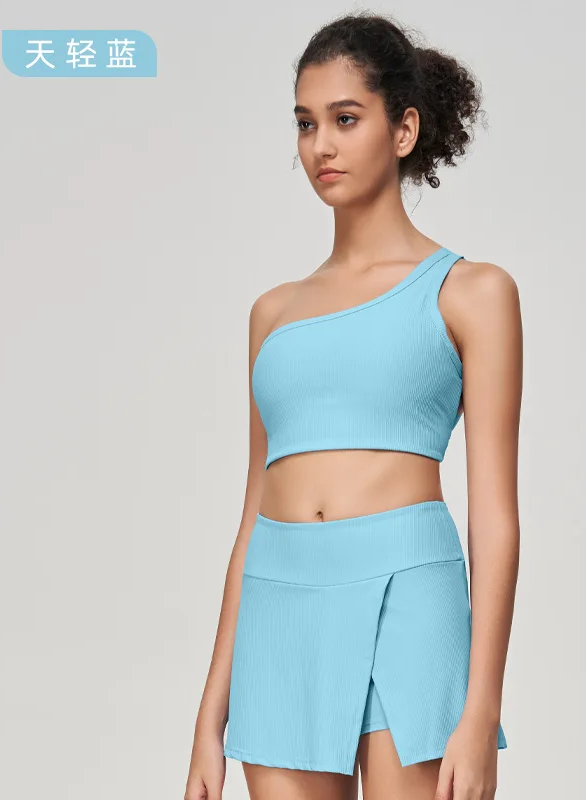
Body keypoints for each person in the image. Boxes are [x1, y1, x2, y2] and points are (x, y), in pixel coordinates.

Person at [185, 11, 522, 800]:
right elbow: (250, 516)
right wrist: (209, 711)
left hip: (410, 595)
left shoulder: (471, 293)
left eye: (345, 119)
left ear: (404, 130)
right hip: (280, 609)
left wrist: (480, 710)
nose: (320, 147)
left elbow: (496, 518)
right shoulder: (273, 314)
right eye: (306, 124)